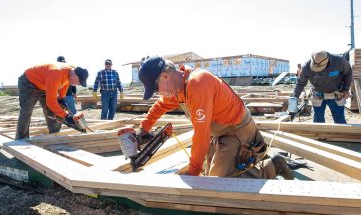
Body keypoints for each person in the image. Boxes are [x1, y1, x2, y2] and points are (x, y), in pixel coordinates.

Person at [136, 56, 293, 179]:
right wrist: (143, 129)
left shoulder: (198, 83)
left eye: (156, 89)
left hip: (237, 130)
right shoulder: (177, 88)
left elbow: (201, 133)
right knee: (208, 175)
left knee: (219, 182)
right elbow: (160, 106)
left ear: (164, 77)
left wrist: (193, 170)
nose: (158, 94)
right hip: (218, 133)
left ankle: (272, 166)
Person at [16, 63, 88, 139]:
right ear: (75, 76)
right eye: (78, 82)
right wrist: (66, 116)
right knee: (27, 111)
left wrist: (61, 98)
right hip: (29, 83)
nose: (77, 84)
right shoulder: (56, 73)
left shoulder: (71, 72)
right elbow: (51, 102)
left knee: (52, 111)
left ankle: (54, 135)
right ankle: (21, 139)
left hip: (45, 84)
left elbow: (66, 83)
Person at [293, 51, 353, 123]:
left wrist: (345, 89)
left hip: (336, 93)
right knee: (318, 121)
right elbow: (300, 83)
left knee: (340, 121)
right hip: (317, 94)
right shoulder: (306, 66)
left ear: (327, 62)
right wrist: (294, 98)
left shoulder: (340, 61)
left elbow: (348, 73)